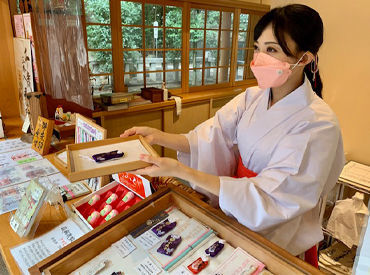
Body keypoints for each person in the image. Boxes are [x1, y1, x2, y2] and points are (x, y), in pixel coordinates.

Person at [121, 4, 345, 267]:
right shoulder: (252, 98)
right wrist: (159, 137)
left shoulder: (319, 125)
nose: (259, 58)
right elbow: (207, 138)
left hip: (278, 232)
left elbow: (272, 199)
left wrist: (181, 170)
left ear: (305, 59)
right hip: (234, 210)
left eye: (272, 50)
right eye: (258, 48)